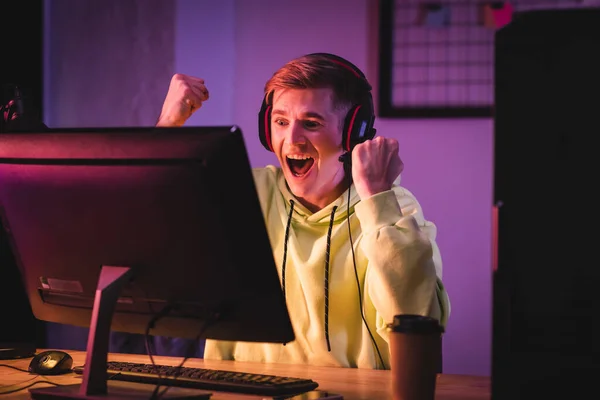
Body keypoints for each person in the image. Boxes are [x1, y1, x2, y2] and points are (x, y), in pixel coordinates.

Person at [154, 52, 450, 369]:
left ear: (354, 133)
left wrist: (377, 199)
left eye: (311, 123)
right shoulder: (243, 192)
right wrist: (167, 127)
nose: (292, 139)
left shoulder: (393, 209)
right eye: (281, 122)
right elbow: (149, 218)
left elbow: (419, 332)